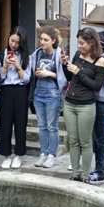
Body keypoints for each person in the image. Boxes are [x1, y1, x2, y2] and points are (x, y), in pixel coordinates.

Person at [63, 28, 104, 182]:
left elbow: (96, 86)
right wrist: (65, 65)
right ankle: (76, 173)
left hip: (86, 105)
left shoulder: (100, 61)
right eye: (79, 43)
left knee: (85, 141)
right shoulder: (77, 55)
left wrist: (78, 72)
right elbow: (69, 77)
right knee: (73, 140)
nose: (79, 46)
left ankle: (86, 175)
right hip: (69, 103)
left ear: (91, 43)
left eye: (82, 43)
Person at [30, 26, 68, 169]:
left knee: (52, 126)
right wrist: (36, 73)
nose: (42, 42)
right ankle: (43, 153)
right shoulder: (36, 54)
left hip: (53, 93)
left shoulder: (59, 54)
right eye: (41, 39)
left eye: (46, 40)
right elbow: (30, 71)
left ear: (53, 41)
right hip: (38, 92)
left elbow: (65, 77)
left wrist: (49, 74)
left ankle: (52, 155)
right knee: (42, 126)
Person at [0, 26, 31, 169]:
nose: (14, 44)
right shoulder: (0, 55)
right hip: (5, 91)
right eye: (12, 40)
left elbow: (27, 78)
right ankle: (6, 155)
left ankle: (18, 155)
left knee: (20, 123)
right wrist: (5, 65)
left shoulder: (26, 57)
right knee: (5, 123)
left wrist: (18, 66)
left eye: (17, 42)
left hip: (20, 91)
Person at [87, 31, 104, 184]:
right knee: (95, 137)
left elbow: (98, 81)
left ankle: (101, 171)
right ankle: (97, 168)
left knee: (100, 136)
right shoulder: (95, 57)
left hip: (102, 100)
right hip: (92, 98)